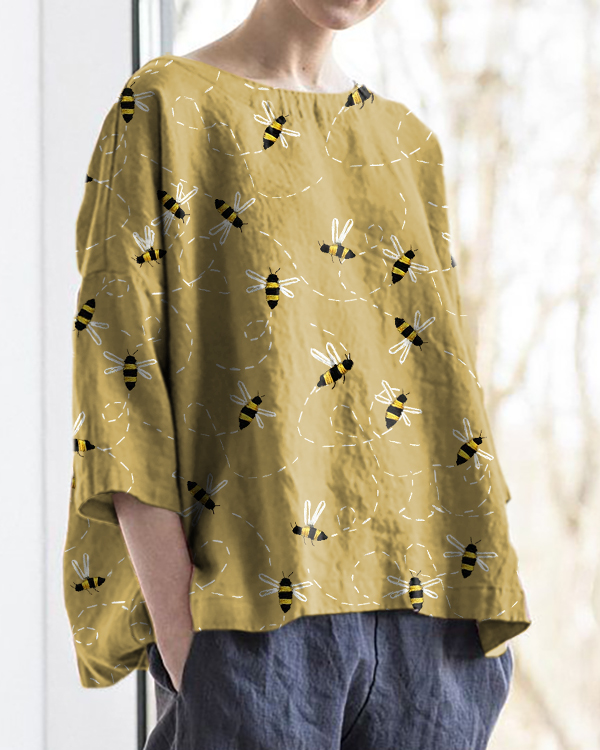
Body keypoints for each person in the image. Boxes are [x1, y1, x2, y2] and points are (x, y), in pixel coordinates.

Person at [65, 1, 531, 748]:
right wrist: (188, 647)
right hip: (255, 624)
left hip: (437, 630)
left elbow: (446, 394)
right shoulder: (166, 108)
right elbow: (121, 393)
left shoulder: (407, 144)